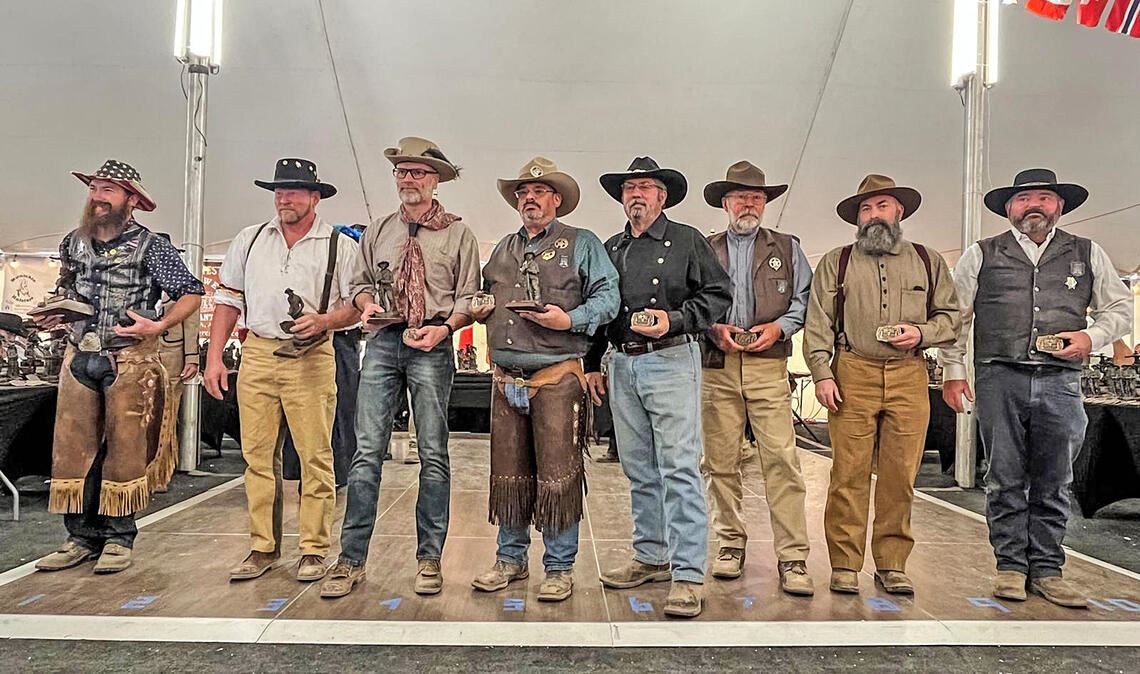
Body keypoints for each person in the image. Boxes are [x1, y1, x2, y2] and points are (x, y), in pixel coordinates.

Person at [941, 169, 1132, 608]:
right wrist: (954, 369)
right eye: (1024, 198)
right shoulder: (981, 253)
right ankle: (1010, 565)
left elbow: (1119, 308)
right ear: (1008, 208)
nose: (1034, 206)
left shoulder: (1086, 252)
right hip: (999, 375)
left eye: (1044, 198)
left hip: (1061, 380)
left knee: (1055, 478)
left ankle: (1047, 568)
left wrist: (1092, 338)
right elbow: (956, 317)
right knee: (1004, 476)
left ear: (1059, 206)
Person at [320, 137, 480, 598]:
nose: (409, 180)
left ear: (435, 180)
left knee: (433, 452)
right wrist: (367, 304)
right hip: (384, 341)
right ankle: (351, 560)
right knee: (366, 452)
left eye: (418, 173)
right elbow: (360, 283)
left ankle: (429, 558)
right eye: (402, 172)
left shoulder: (458, 234)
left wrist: (444, 329)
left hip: (432, 341)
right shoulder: (378, 230)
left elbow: (470, 296)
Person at [34, 159, 204, 574]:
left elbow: (190, 292)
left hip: (129, 359)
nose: (97, 196)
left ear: (132, 200)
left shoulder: (152, 245)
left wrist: (160, 324)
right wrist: (58, 311)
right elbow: (68, 288)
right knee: (75, 450)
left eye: (108, 189)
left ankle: (118, 536)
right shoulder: (73, 242)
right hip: (80, 356)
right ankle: (80, 537)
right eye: (94, 187)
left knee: (125, 450)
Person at [584, 156, 732, 618]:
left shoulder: (687, 240)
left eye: (645, 187)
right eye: (629, 189)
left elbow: (717, 295)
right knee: (639, 469)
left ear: (662, 196)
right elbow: (600, 308)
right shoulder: (610, 247)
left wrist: (675, 319)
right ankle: (651, 556)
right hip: (622, 365)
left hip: (671, 359)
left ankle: (688, 574)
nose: (636, 195)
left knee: (679, 468)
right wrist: (592, 363)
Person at [469, 156, 619, 602]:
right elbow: (485, 292)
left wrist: (568, 319)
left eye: (538, 192)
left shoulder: (582, 243)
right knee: (509, 472)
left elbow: (609, 299)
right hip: (504, 376)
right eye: (523, 193)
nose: (529, 198)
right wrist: (479, 309)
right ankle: (510, 560)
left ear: (557, 200)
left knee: (557, 474)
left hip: (557, 375)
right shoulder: (503, 249)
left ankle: (559, 566)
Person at [204, 158, 361, 584]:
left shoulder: (338, 245)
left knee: (315, 456)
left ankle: (313, 549)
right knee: (257, 458)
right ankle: (262, 547)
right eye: (278, 190)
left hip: (311, 355)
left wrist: (325, 321)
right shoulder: (250, 239)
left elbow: (356, 305)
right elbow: (228, 301)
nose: (283, 198)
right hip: (256, 354)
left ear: (314, 197)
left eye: (292, 190)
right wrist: (214, 357)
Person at [804, 174, 960, 595]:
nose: (874, 215)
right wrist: (822, 373)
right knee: (847, 473)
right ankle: (844, 564)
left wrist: (921, 334)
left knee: (900, 475)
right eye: (866, 209)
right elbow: (817, 323)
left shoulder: (928, 261)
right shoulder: (836, 261)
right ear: (857, 218)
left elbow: (952, 317)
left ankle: (892, 564)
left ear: (900, 212)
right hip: (853, 370)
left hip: (910, 374)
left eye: (883, 206)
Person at [699, 161, 814, 594]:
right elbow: (693, 299)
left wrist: (778, 329)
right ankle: (730, 543)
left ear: (766, 203)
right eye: (740, 196)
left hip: (769, 366)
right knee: (718, 462)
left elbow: (804, 302)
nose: (748, 203)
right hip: (717, 366)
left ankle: (793, 557)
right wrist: (713, 327)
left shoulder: (788, 247)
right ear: (725, 203)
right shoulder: (704, 248)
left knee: (782, 461)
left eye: (757, 197)